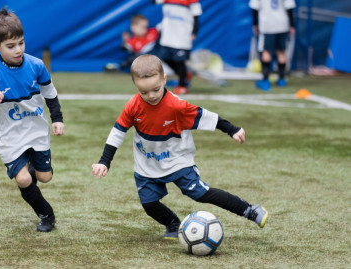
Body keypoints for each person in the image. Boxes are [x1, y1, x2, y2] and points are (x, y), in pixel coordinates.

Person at [92, 54, 268, 239]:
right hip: (147, 162)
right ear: (136, 86)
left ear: (164, 79)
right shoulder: (133, 106)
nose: (151, 96)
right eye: (144, 92)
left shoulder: (176, 106)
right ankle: (173, 223)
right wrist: (105, 161)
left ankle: (249, 210)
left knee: (200, 193)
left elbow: (207, 116)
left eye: (156, 89)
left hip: (177, 159)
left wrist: (232, 129)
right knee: (149, 204)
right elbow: (117, 133)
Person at [0, 8, 65, 232]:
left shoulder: (36, 65)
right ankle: (47, 215)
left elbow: (50, 93)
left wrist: (57, 118)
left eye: (21, 43)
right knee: (24, 180)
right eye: (11, 46)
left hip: (36, 130)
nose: (18, 50)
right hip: (8, 136)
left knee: (45, 177)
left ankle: (30, 169)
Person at [153, 0, 201, 95]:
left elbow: (196, 15)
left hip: (182, 36)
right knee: (165, 58)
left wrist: (194, 32)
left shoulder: (192, 1)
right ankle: (184, 75)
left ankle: (182, 86)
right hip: (167, 35)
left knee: (179, 61)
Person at [250, 0, 296, 91]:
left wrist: (255, 24)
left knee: (266, 51)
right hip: (283, 23)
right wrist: (292, 25)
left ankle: (265, 80)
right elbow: (289, 7)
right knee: (281, 52)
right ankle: (282, 79)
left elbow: (254, 7)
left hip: (267, 25)